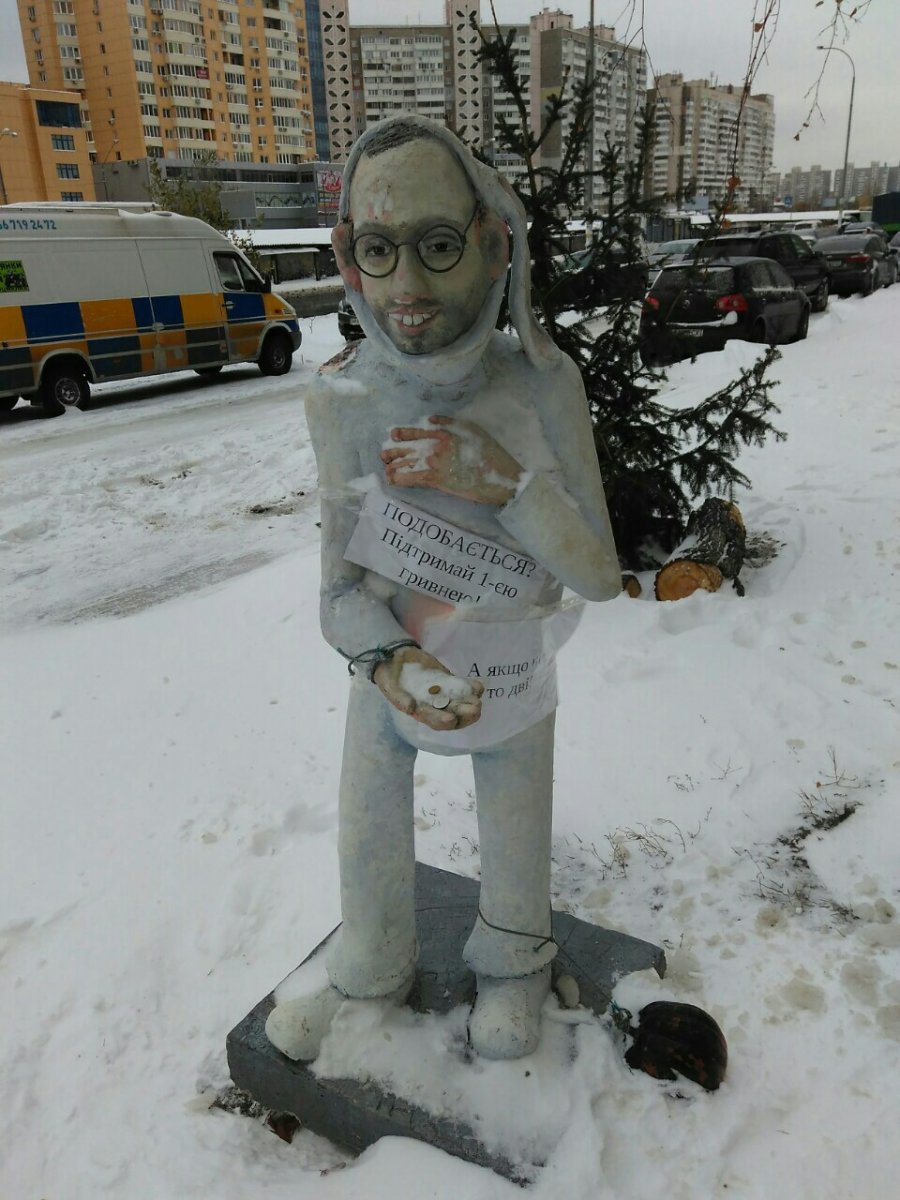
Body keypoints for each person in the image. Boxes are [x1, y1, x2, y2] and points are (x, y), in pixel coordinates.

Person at [265, 116, 622, 1062]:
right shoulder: (340, 399)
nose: (408, 290)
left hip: (512, 664)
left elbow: (598, 574)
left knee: (515, 818)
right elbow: (339, 591)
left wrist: (502, 483)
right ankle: (370, 962)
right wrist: (390, 660)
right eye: (379, 251)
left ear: (495, 245)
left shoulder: (542, 384)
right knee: (367, 820)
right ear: (346, 256)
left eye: (437, 245)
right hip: (395, 672)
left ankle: (513, 960)